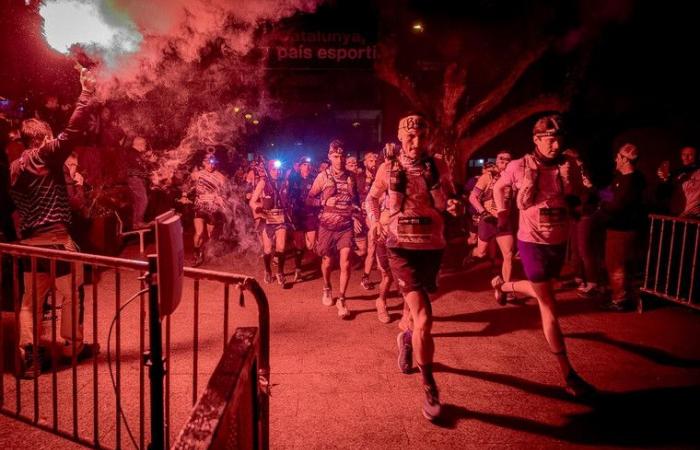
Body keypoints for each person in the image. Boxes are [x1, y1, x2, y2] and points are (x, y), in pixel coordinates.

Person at [492, 113, 595, 398]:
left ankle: (504, 285)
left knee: (542, 293)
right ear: (536, 140)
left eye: (559, 139)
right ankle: (568, 373)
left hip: (558, 240)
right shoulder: (519, 165)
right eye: (550, 139)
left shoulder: (569, 164)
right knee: (548, 304)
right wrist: (502, 215)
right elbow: (499, 187)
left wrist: (581, 206)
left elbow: (576, 193)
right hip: (531, 241)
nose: (555, 144)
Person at [366, 113, 459, 421]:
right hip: (399, 247)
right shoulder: (387, 168)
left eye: (421, 137)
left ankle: (405, 338)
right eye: (410, 138)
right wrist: (375, 220)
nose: (416, 143)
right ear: (400, 137)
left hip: (431, 247)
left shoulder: (439, 165)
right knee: (425, 317)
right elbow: (371, 199)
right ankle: (430, 386)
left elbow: (447, 200)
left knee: (412, 312)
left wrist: (454, 204)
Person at [9, 68, 97, 378]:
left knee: (31, 302)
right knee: (72, 294)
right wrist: (85, 92)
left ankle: (29, 356)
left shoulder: (14, 167)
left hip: (31, 246)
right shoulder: (44, 155)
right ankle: (73, 346)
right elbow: (72, 132)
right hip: (58, 242)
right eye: (49, 135)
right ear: (43, 138)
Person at [307, 140, 362, 319]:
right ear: (330, 157)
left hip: (345, 226)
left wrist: (356, 216)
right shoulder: (323, 177)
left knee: (345, 261)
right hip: (327, 227)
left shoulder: (351, 177)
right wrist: (323, 202)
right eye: (336, 156)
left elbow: (356, 202)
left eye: (342, 156)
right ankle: (327, 287)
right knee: (328, 262)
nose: (339, 160)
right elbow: (309, 200)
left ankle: (342, 299)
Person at [600, 143, 646, 311]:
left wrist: (604, 206)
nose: (615, 159)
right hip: (617, 227)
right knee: (617, 264)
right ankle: (622, 296)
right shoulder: (620, 177)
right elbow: (606, 194)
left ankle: (620, 300)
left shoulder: (632, 182)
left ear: (626, 159)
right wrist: (604, 200)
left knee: (617, 265)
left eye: (618, 156)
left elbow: (616, 205)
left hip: (622, 229)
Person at [467, 151, 516, 305]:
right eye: (501, 159)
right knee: (481, 253)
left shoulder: (513, 177)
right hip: (487, 219)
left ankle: (506, 289)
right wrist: (483, 212)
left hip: (503, 221)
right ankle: (472, 252)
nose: (504, 161)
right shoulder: (487, 176)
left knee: (508, 255)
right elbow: (472, 197)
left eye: (508, 159)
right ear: (496, 160)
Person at [181, 151, 231, 267]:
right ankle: (196, 253)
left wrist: (221, 198)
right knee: (199, 232)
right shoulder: (197, 175)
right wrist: (184, 195)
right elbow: (186, 185)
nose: (211, 166)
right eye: (208, 163)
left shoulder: (220, 177)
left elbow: (226, 193)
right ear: (203, 163)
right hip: (200, 206)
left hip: (212, 208)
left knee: (210, 234)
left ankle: (205, 252)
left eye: (213, 163)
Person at [250, 159, 291, 285]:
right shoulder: (263, 183)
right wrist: (258, 208)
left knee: (281, 247)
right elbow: (252, 201)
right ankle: (268, 271)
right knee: (267, 249)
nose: (277, 172)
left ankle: (280, 272)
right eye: (274, 169)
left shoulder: (285, 182)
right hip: (267, 220)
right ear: (269, 170)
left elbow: (288, 199)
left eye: (279, 169)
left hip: (280, 219)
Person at [287, 155, 319, 282]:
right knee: (300, 246)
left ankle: (310, 255)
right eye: (304, 164)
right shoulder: (294, 179)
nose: (307, 166)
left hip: (310, 215)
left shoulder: (314, 179)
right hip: (298, 215)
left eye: (309, 164)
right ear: (300, 166)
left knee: (310, 245)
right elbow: (288, 195)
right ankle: (298, 269)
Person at [358, 151, 379, 290]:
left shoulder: (380, 174)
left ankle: (365, 277)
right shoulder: (359, 177)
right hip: (364, 213)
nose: (373, 163)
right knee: (365, 248)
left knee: (373, 246)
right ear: (365, 162)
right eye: (370, 160)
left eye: (375, 160)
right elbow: (361, 193)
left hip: (378, 212)